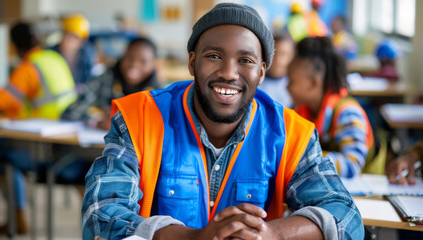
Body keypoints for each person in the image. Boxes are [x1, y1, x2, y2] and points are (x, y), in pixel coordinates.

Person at [82, 3, 363, 240]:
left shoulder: (290, 132)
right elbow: (101, 213)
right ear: (192, 62)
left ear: (262, 72)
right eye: (214, 56)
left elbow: (346, 217)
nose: (229, 73)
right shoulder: (140, 117)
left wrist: (270, 234)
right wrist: (196, 237)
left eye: (245, 60)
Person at [0, 22, 76, 234]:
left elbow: (1, 102)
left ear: (13, 45)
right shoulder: (54, 57)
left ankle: (18, 217)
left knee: (1, 156)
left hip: (44, 142)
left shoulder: (28, 67)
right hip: (70, 134)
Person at [289, 37, 375, 178]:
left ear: (313, 83)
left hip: (364, 195)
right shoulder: (302, 110)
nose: (287, 87)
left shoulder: (347, 113)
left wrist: (301, 157)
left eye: (291, 81)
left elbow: (352, 165)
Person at [62, 37, 162, 130]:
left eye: (143, 61)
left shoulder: (159, 95)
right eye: (130, 58)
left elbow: (164, 127)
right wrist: (97, 120)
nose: (134, 65)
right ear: (122, 56)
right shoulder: (103, 81)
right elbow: (69, 112)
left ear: (153, 64)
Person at [50, 14, 97, 89]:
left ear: (81, 41)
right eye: (66, 34)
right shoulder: (50, 54)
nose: (68, 40)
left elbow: (89, 82)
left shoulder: (86, 55)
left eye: (74, 37)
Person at [258, 31, 294, 107]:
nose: (278, 60)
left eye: (283, 54)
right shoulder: (257, 82)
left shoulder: (294, 86)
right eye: (274, 53)